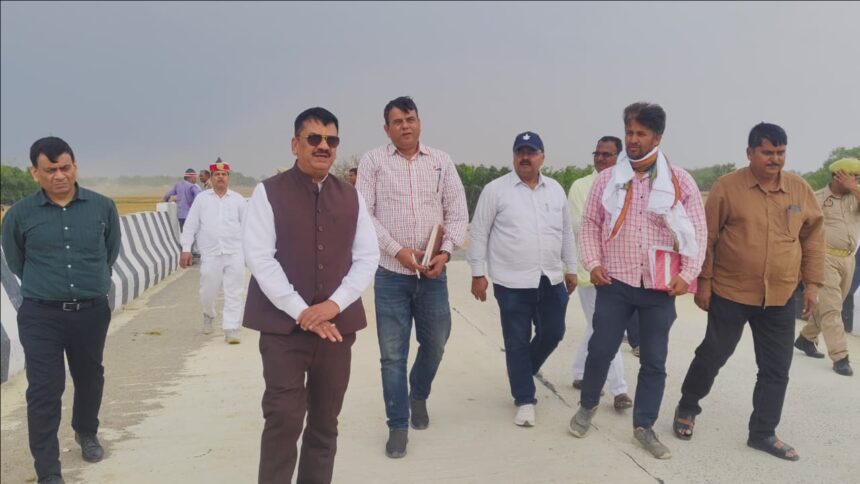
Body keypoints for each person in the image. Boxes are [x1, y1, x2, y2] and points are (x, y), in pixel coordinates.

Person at [242, 107, 379, 484]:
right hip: (283, 332)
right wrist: (301, 311)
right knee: (283, 419)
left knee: (324, 424)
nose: (323, 146)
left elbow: (367, 257)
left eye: (331, 140)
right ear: (295, 144)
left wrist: (334, 305)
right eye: (314, 138)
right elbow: (260, 258)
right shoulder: (268, 192)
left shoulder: (351, 197)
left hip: (335, 331)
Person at [674, 122, 824, 462]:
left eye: (780, 153)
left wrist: (813, 285)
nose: (775, 159)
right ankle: (688, 405)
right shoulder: (727, 187)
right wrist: (704, 283)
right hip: (731, 291)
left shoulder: (799, 189)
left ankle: (762, 433)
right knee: (713, 354)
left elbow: (814, 238)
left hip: (781, 296)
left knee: (776, 369)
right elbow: (708, 237)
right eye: (768, 152)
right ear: (750, 153)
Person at [568, 102, 707, 461]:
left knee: (654, 360)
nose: (632, 139)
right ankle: (587, 406)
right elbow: (591, 224)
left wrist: (687, 274)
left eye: (641, 133)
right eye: (629, 132)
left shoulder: (679, 181)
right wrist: (593, 263)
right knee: (601, 349)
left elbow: (697, 231)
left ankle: (644, 427)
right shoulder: (608, 180)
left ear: (657, 137)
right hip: (615, 281)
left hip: (659, 287)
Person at [1, 136, 121, 484]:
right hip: (41, 315)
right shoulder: (20, 214)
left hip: (91, 311)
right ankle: (48, 471)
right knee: (44, 389)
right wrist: (47, 285)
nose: (59, 176)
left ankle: (86, 431)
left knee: (90, 376)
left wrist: (89, 284)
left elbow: (109, 252)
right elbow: (16, 260)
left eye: (65, 168)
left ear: (75, 167)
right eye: (50, 170)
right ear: (35, 173)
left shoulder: (102, 207)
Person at [356, 96, 468, 459]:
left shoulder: (440, 161)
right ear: (386, 128)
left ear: (419, 122)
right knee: (392, 355)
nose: (405, 126)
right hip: (391, 275)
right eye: (397, 121)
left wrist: (445, 253)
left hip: (433, 274)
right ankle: (398, 425)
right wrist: (397, 250)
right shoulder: (373, 162)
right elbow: (364, 214)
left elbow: (457, 212)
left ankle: (418, 393)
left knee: (436, 342)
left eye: (410, 119)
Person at [467, 131, 577, 427]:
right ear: (514, 156)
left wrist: (571, 267)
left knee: (553, 332)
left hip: (550, 278)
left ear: (542, 157)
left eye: (531, 152)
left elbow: (566, 232)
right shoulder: (496, 190)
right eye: (520, 152)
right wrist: (477, 273)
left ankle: (523, 371)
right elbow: (479, 232)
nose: (525, 157)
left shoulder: (555, 190)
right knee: (516, 341)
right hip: (511, 282)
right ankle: (525, 399)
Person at [568, 136, 634, 410]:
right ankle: (619, 390)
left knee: (596, 325)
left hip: (622, 272)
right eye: (597, 153)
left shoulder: (629, 184)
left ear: (619, 157)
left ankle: (579, 371)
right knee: (607, 329)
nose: (601, 158)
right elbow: (579, 226)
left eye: (607, 154)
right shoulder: (581, 186)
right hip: (590, 271)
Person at [793, 158, 860, 376]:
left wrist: (854, 188)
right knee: (832, 308)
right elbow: (802, 231)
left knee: (830, 305)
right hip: (824, 258)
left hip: (848, 259)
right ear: (838, 175)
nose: (856, 181)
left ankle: (806, 338)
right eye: (853, 176)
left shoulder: (855, 196)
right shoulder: (817, 198)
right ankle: (840, 357)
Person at [179, 160, 247, 343]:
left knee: (235, 292)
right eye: (217, 174)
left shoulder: (238, 200)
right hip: (211, 253)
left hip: (234, 252)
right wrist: (186, 248)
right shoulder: (202, 199)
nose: (220, 177)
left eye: (224, 174)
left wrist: (251, 252)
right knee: (207, 291)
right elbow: (191, 225)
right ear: (211, 177)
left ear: (228, 177)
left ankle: (231, 327)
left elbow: (248, 227)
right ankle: (208, 314)